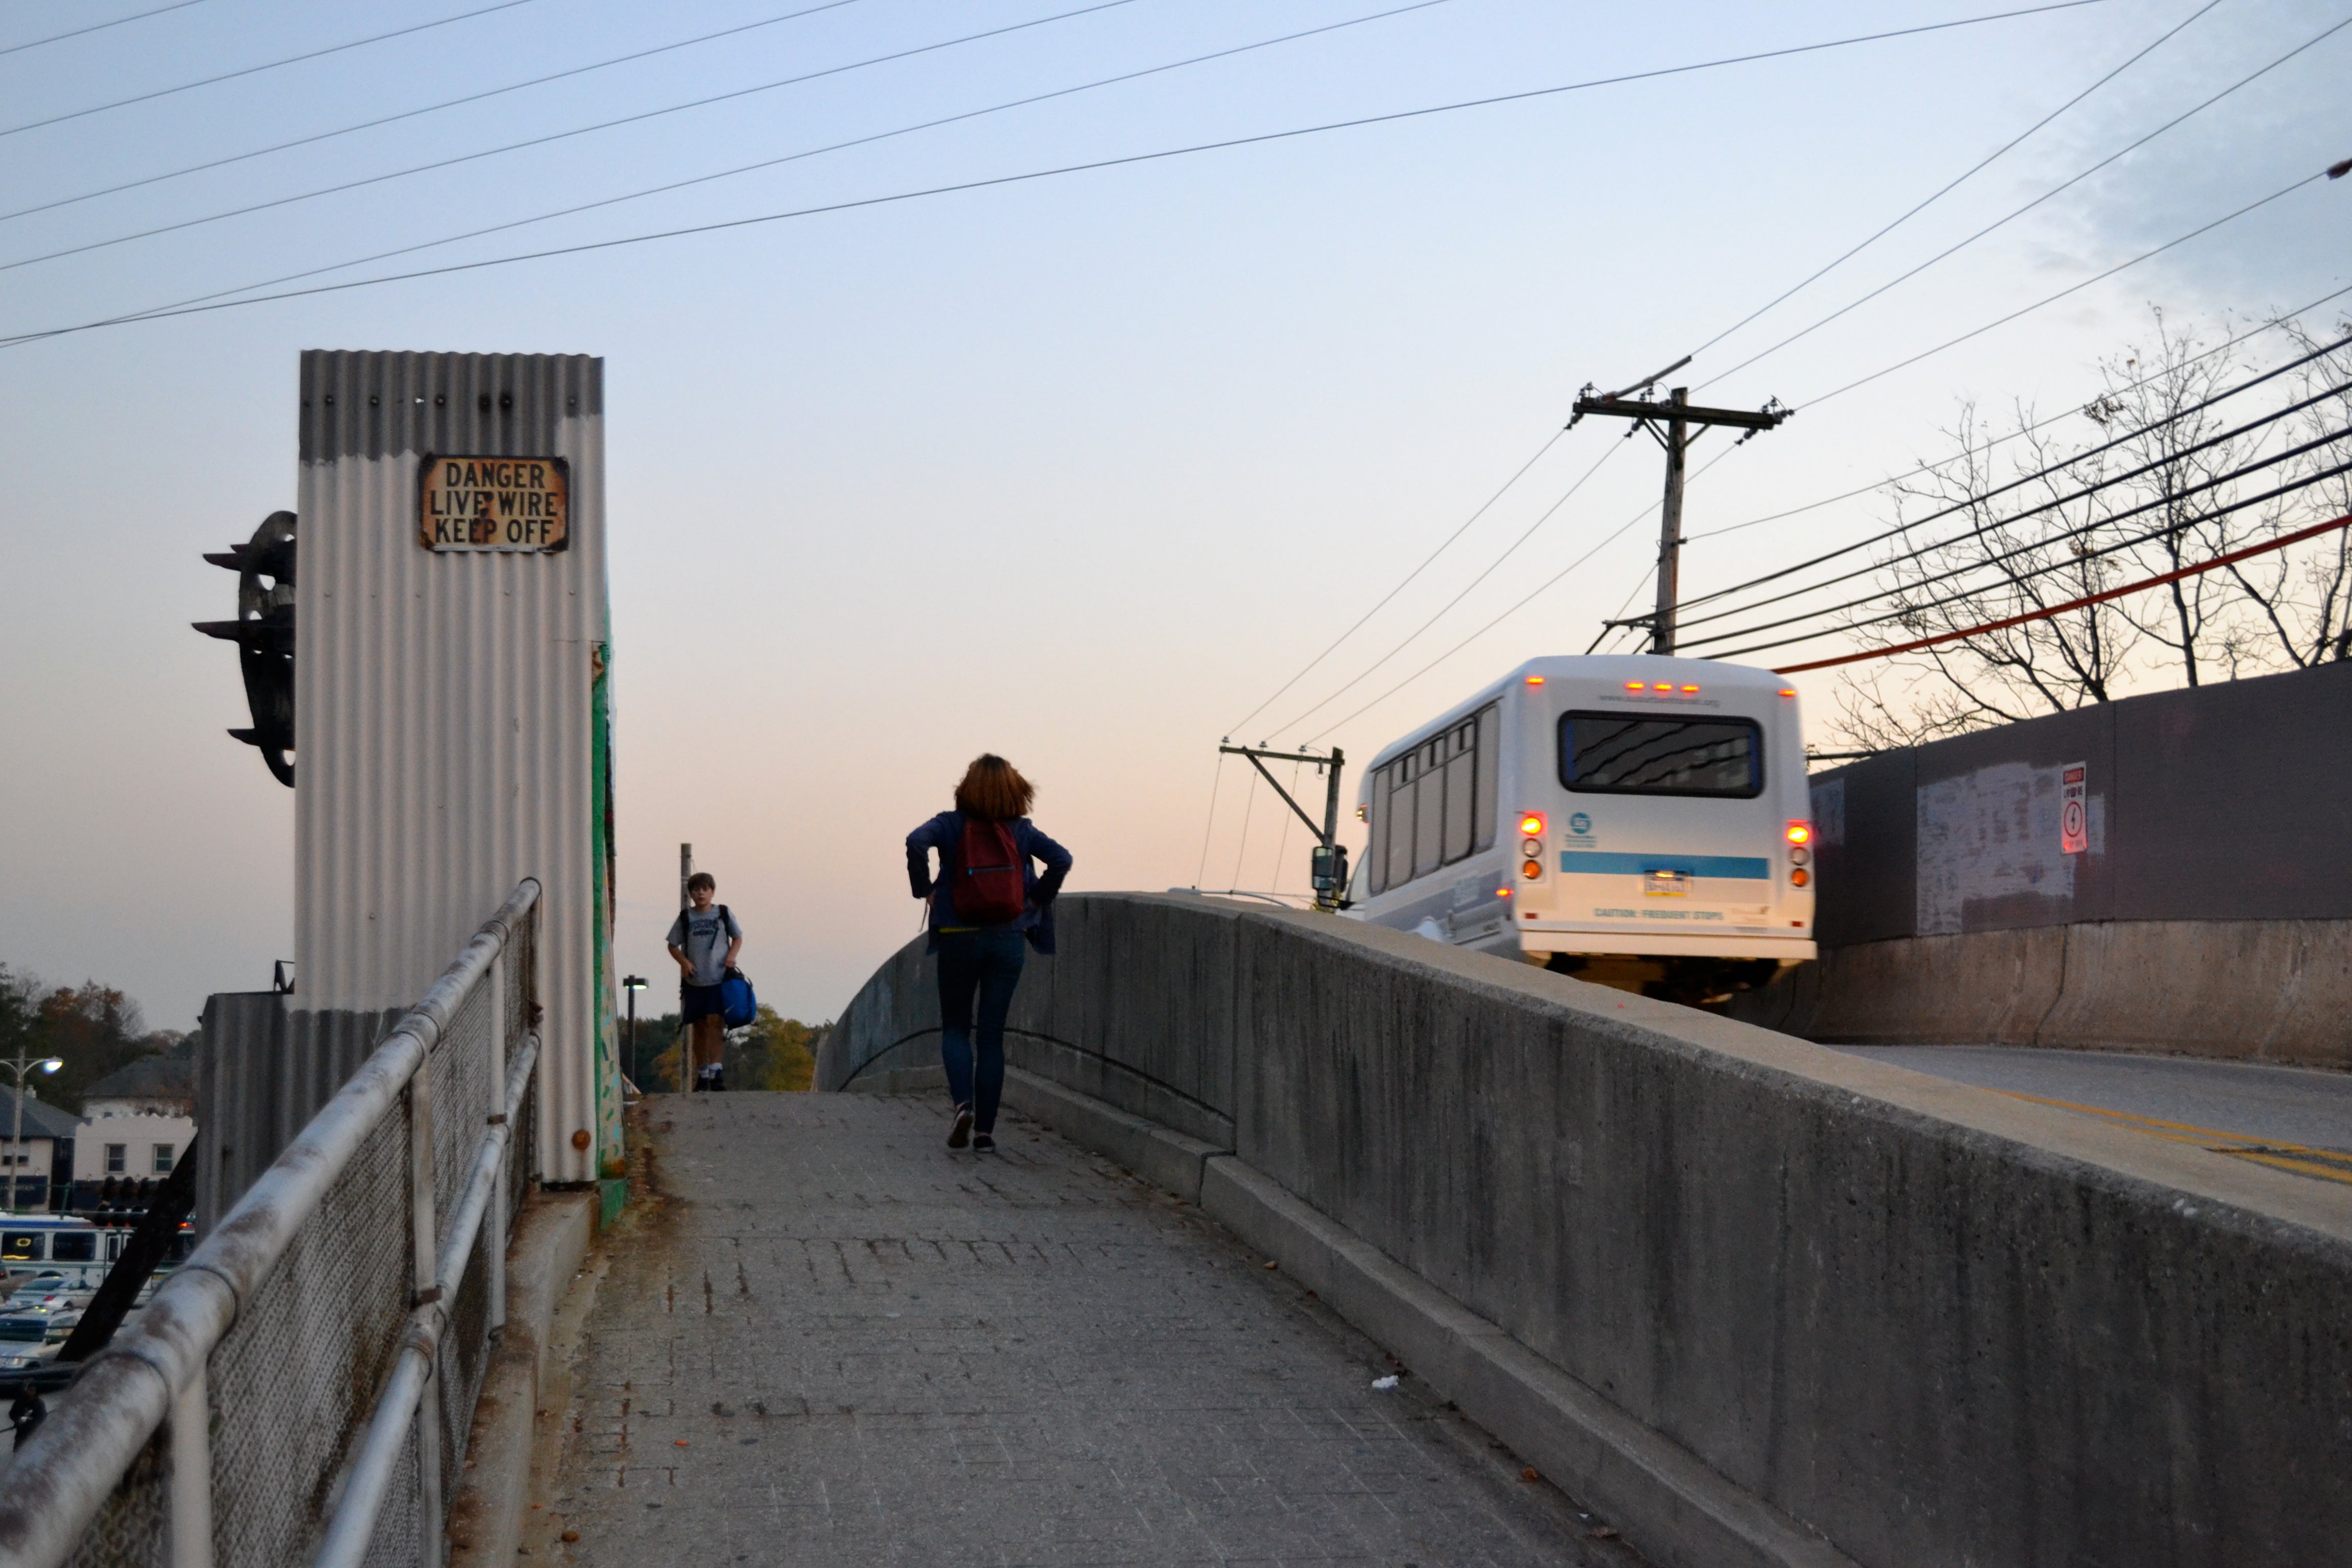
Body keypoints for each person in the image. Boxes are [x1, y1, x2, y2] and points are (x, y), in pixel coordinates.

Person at [905, 755, 1072, 1151]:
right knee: (992, 1036)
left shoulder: (949, 824)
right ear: (1016, 791)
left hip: (959, 936)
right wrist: (1035, 898)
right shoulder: (1023, 831)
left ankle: (964, 1105)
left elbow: (915, 841)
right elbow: (1062, 859)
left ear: (967, 787)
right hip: (1007, 939)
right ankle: (985, 1134)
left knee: (956, 1028)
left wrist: (922, 887)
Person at [666, 873, 743, 1091]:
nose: (701, 893)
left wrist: (732, 956)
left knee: (716, 1024)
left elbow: (737, 937)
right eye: (696, 890)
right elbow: (672, 945)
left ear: (712, 892)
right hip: (695, 981)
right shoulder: (686, 917)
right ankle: (702, 1074)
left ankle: (717, 1072)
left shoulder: (723, 913)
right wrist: (684, 962)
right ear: (690, 894)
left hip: (719, 978)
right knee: (699, 1026)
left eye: (705, 889)